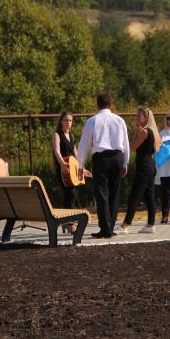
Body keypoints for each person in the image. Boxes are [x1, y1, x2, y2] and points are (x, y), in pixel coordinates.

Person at [76, 92, 129, 238]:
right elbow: (126, 143)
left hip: (101, 159)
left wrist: (80, 165)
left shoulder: (92, 121)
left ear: (97, 105)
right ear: (110, 106)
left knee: (102, 193)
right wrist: (125, 163)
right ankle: (110, 227)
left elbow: (84, 146)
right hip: (117, 157)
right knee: (114, 193)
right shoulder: (119, 120)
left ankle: (105, 228)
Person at [114, 107, 163, 234]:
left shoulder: (145, 131)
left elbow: (132, 147)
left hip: (144, 167)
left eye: (139, 116)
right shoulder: (153, 131)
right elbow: (160, 142)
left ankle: (125, 225)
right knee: (149, 196)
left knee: (134, 196)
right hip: (150, 165)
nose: (137, 118)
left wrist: (136, 132)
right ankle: (150, 224)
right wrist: (150, 150)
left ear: (146, 118)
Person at [52, 111, 84, 234]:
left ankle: (66, 222)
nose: (68, 123)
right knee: (71, 193)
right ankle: (70, 224)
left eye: (70, 120)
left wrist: (80, 167)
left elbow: (75, 153)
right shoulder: (57, 135)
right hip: (62, 168)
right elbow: (57, 151)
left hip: (72, 169)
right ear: (61, 121)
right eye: (66, 120)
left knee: (68, 194)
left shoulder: (71, 135)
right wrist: (62, 163)